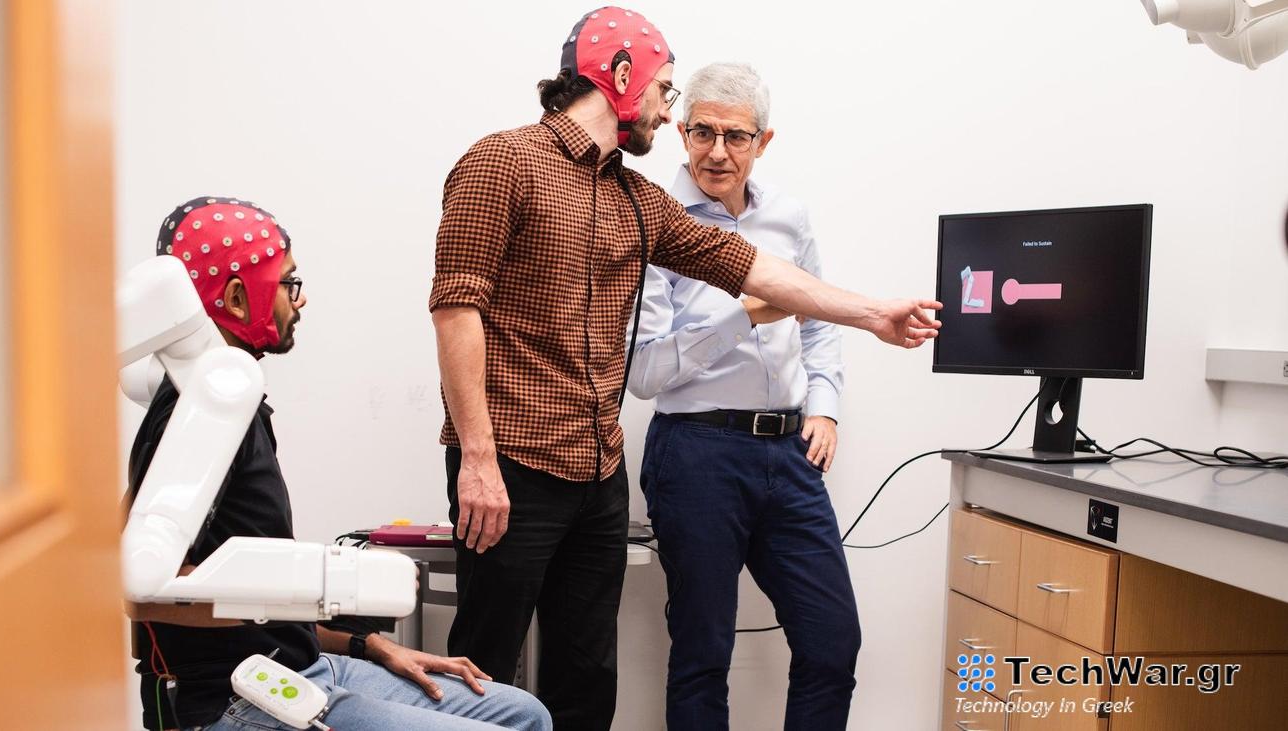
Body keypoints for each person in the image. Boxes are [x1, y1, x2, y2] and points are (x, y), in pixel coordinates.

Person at [429, 7, 940, 728]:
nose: (670, 113)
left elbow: (750, 266)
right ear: (620, 76)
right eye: (667, 91)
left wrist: (872, 313)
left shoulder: (637, 200)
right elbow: (457, 308)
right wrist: (476, 457)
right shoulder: (502, 160)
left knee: (586, 677)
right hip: (512, 462)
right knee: (483, 667)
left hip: (597, 472)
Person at [125, 196, 550, 731]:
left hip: (304, 665)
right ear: (237, 296)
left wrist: (370, 644)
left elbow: (259, 606)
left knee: (523, 713)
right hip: (238, 697)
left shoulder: (230, 400)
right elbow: (136, 589)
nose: (299, 302)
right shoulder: (196, 414)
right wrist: (315, 583)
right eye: (288, 283)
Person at [626, 62, 860, 731]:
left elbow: (818, 324)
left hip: (788, 452)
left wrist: (824, 404)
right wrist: (742, 316)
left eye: (736, 135)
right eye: (703, 131)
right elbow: (644, 372)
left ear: (765, 140)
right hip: (696, 452)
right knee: (703, 652)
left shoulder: (788, 217)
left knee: (831, 640)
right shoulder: (652, 222)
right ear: (680, 128)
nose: (717, 151)